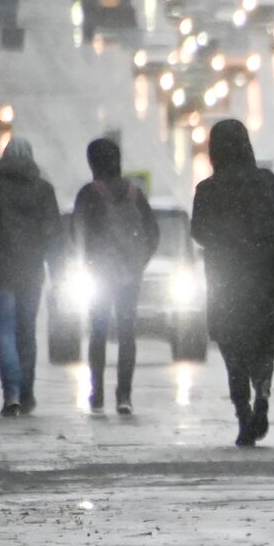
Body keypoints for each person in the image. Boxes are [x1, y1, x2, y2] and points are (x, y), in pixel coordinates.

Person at [190, 119, 274, 447]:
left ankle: (243, 412)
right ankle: (262, 394)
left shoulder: (207, 189)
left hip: (225, 279)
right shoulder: (267, 182)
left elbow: (198, 232)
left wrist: (226, 238)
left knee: (232, 347)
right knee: (263, 342)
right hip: (263, 276)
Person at [0, 138, 61, 417]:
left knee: (3, 331)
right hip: (30, 272)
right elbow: (53, 234)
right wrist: (57, 271)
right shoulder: (43, 189)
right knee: (26, 332)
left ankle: (12, 393)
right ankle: (26, 392)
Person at [72, 138, 159, 415]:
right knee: (126, 333)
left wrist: (88, 261)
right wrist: (138, 262)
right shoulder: (135, 193)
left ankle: (97, 394)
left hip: (100, 274)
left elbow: (76, 232)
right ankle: (124, 396)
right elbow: (153, 233)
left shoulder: (88, 194)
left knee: (98, 332)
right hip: (130, 274)